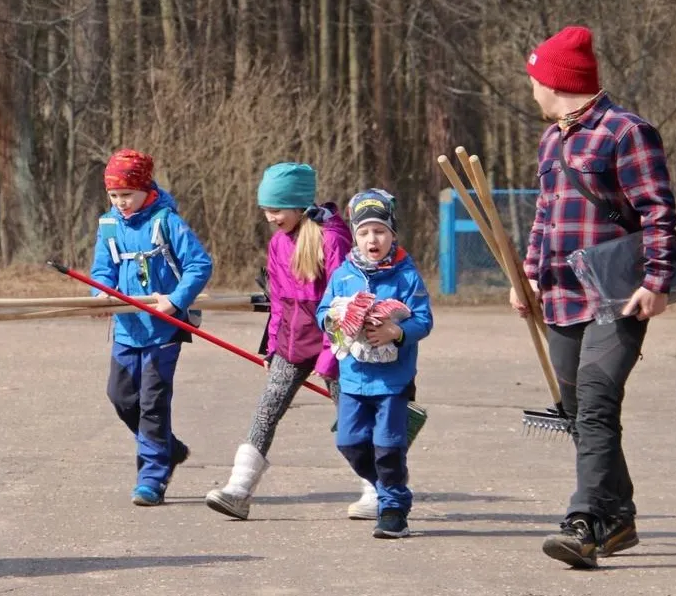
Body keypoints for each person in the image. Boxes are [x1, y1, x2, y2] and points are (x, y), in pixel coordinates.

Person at [515, 25, 676, 569]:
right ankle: (620, 516)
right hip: (560, 296)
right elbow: (545, 214)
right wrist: (531, 276)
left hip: (616, 297)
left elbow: (657, 210)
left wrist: (656, 281)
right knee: (582, 411)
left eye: (535, 80)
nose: (532, 91)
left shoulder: (626, 132)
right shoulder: (551, 139)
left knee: (596, 401)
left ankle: (583, 521)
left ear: (556, 81)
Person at [204, 163, 354, 520]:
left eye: (276, 210)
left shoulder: (333, 239)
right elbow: (278, 303)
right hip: (291, 343)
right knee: (266, 410)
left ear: (300, 205)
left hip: (332, 344)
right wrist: (272, 346)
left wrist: (332, 356)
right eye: (266, 210)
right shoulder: (277, 244)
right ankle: (238, 490)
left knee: (352, 420)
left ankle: (379, 491)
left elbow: (342, 304)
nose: (270, 218)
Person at [90, 148, 213, 506]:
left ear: (146, 189)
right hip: (127, 327)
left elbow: (199, 265)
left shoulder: (167, 221)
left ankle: (152, 476)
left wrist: (175, 300)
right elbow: (102, 271)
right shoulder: (109, 224)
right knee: (121, 397)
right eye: (114, 196)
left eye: (127, 194)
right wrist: (99, 294)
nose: (121, 202)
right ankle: (168, 447)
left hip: (163, 328)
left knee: (153, 405)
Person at [317, 189, 433, 539]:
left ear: (392, 234)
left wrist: (396, 331)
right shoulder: (343, 274)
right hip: (353, 377)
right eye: (365, 232)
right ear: (355, 236)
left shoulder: (406, 276)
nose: (373, 239)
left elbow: (424, 321)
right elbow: (322, 311)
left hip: (392, 381)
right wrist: (334, 318)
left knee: (388, 446)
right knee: (349, 443)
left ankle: (394, 509)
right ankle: (389, 488)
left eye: (380, 231)